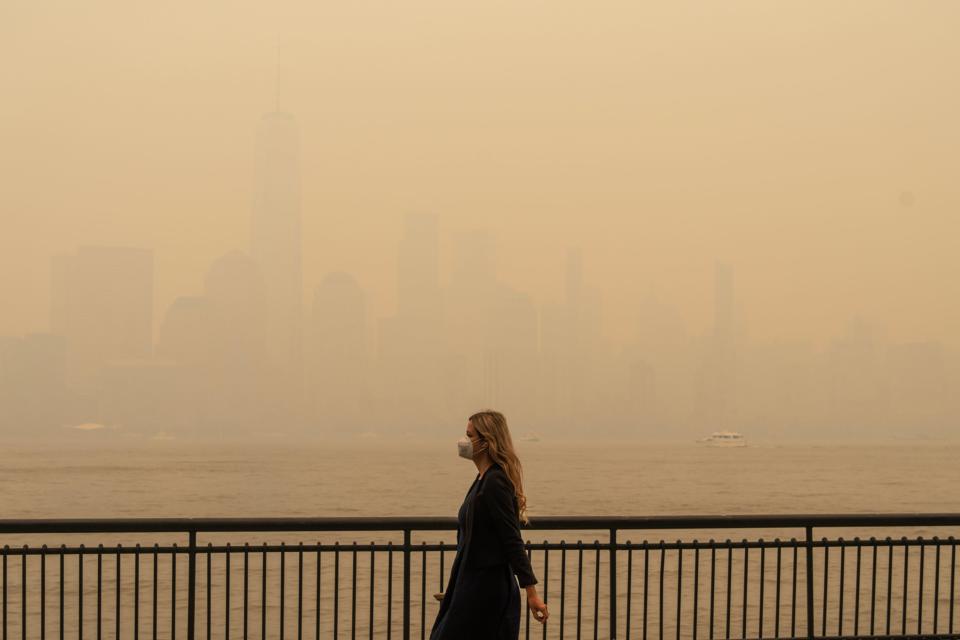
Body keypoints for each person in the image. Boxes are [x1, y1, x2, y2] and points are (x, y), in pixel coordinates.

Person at [429, 410, 549, 640]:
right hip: (471, 585)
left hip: (487, 591)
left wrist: (532, 594)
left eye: (469, 435)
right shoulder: (482, 479)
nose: (463, 441)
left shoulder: (495, 482)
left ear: (486, 442)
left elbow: (511, 539)